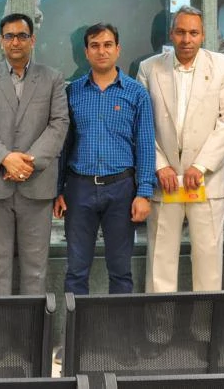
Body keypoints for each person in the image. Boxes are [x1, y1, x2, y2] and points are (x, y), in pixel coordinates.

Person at [137, 6, 224, 293]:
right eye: (180, 32)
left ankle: (205, 322)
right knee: (160, 264)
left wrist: (201, 165)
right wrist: (159, 165)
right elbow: (141, 124)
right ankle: (159, 322)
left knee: (208, 264)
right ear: (171, 34)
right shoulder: (149, 68)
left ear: (203, 35)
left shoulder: (223, 67)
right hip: (165, 180)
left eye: (193, 33)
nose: (186, 39)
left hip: (206, 179)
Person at [54, 23, 154, 295]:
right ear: (86, 52)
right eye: (95, 46)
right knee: (76, 270)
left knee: (121, 271)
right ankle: (76, 323)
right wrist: (58, 190)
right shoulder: (72, 92)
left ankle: (117, 324)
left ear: (118, 49)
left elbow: (146, 145)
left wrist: (144, 193)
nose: (102, 51)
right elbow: (63, 145)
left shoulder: (136, 93)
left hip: (121, 189)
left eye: (108, 45)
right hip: (80, 189)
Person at [0, 13, 68, 295]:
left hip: (36, 185)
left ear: (32, 40)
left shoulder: (52, 78)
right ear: (1, 41)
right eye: (9, 36)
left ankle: (33, 325)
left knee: (35, 270)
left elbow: (59, 123)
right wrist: (5, 159)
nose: (16, 42)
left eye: (22, 36)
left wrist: (28, 163)